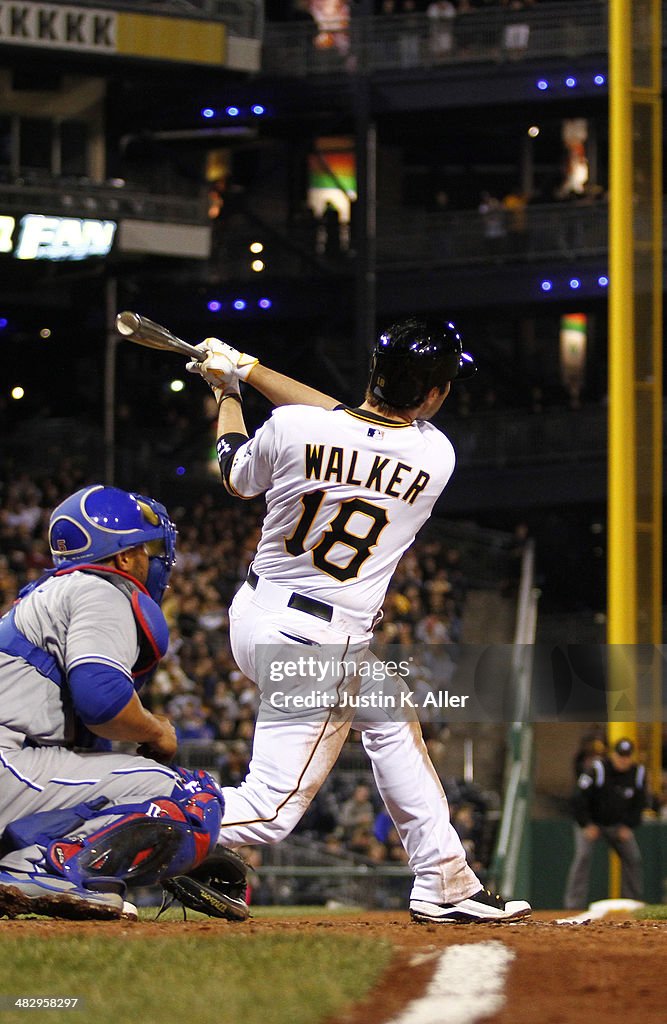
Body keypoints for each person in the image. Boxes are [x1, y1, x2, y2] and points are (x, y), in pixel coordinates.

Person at [186, 317, 532, 924]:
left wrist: (230, 390)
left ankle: (446, 881)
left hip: (255, 615)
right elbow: (346, 423)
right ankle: (126, 812)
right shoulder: (434, 455)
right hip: (319, 645)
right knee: (269, 812)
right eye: (444, 384)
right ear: (428, 393)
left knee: (392, 719)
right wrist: (246, 371)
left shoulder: (293, 428)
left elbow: (239, 471)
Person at [0, 485, 226, 920]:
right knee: (191, 795)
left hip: (16, 769)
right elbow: (102, 702)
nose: (154, 559)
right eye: (147, 548)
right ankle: (36, 868)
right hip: (9, 767)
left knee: (140, 794)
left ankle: (28, 861)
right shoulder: (100, 589)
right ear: (123, 558)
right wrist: (157, 729)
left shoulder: (52, 593)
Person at [564, 737, 646, 909]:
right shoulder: (598, 769)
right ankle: (573, 904)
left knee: (633, 857)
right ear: (613, 755)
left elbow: (640, 804)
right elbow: (578, 798)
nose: (623, 760)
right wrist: (586, 824)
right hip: (591, 822)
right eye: (620, 755)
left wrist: (629, 825)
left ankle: (633, 903)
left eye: (627, 756)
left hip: (617, 825)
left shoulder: (637, 773)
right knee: (583, 857)